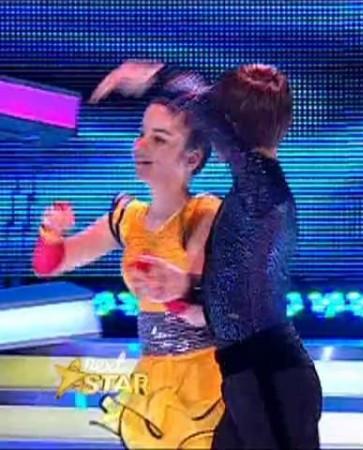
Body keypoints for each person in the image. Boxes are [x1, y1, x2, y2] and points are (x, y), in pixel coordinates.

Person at [92, 60, 323, 449]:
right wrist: (184, 291)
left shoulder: (260, 190)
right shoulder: (258, 192)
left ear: (229, 125)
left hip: (268, 380)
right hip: (252, 378)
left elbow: (201, 106)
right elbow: (242, 299)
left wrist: (156, 76)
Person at [32, 73, 224, 449]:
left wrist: (172, 292)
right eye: (142, 133)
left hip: (203, 375)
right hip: (152, 376)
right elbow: (51, 264)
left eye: (159, 139)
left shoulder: (205, 213)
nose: (141, 145)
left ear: (192, 158)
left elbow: (212, 310)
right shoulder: (127, 217)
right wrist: (51, 232)